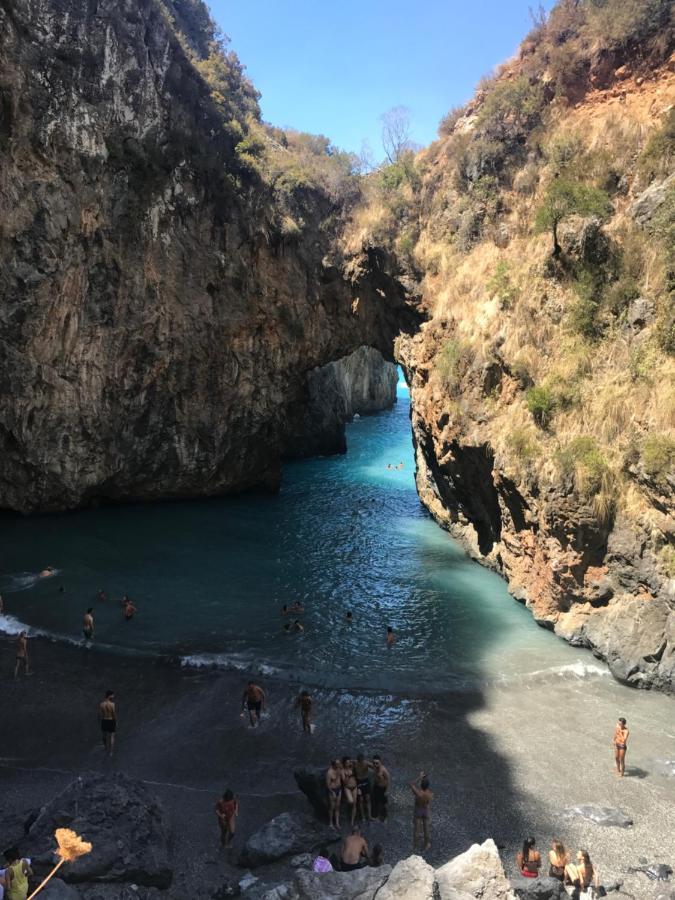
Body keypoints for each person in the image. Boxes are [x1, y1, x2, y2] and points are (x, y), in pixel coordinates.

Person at [411, 772, 433, 851]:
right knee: (426, 829)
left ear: (421, 785)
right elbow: (428, 804)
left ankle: (415, 846)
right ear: (428, 785)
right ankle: (426, 845)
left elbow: (412, 784)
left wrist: (419, 777)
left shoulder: (418, 793)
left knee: (417, 830)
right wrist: (429, 814)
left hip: (418, 810)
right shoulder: (430, 794)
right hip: (425, 811)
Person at [354, 753, 372, 822]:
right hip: (359, 783)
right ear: (358, 760)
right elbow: (348, 762)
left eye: (362, 760)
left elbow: (374, 766)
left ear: (363, 760)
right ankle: (363, 817)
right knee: (360, 800)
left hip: (366, 782)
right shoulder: (355, 763)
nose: (361, 762)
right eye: (359, 761)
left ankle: (369, 816)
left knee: (368, 799)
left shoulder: (366, 763)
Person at [371, 755, 390, 823]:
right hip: (376, 787)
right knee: (376, 803)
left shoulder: (383, 770)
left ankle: (386, 817)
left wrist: (387, 791)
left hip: (383, 789)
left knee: (384, 804)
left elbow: (388, 780)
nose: (375, 764)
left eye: (377, 763)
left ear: (380, 762)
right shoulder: (374, 767)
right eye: (374, 763)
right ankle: (378, 816)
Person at [99, 690, 117, 756]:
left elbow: (100, 714)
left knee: (104, 735)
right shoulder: (112, 704)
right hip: (111, 720)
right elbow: (114, 714)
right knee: (112, 736)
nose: (113, 696)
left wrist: (100, 721)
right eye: (112, 695)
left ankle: (105, 747)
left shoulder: (101, 704)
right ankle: (111, 752)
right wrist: (116, 722)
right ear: (110, 696)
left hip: (104, 720)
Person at [341, 757, 358, 825]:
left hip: (354, 787)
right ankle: (348, 812)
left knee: (354, 804)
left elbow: (357, 762)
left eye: (349, 762)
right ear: (344, 764)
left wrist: (352, 761)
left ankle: (352, 821)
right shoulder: (343, 771)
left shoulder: (353, 768)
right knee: (351, 801)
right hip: (347, 787)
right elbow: (344, 782)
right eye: (347, 763)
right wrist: (348, 776)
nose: (348, 764)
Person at [326, 760, 342, 829]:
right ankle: (330, 823)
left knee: (337, 807)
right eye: (337, 764)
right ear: (334, 765)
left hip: (339, 789)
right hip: (332, 790)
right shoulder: (329, 773)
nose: (339, 764)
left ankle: (337, 823)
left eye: (339, 763)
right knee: (332, 807)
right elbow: (327, 784)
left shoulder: (339, 768)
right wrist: (332, 792)